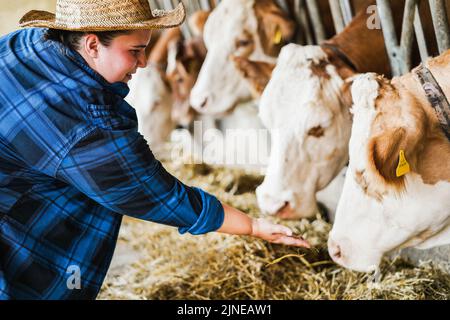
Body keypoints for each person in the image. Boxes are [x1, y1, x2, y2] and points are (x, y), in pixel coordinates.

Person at [0, 0, 309, 300]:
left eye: (145, 48)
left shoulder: (25, 43)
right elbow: (155, 193)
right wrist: (252, 226)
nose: (144, 62)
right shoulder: (88, 125)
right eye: (134, 51)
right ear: (92, 45)